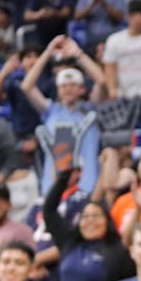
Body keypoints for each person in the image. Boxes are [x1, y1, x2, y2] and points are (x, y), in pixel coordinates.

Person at [43, 169, 135, 281]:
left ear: (107, 221)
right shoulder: (69, 243)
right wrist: (64, 177)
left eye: (97, 216)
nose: (90, 221)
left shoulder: (118, 250)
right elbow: (49, 210)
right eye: (85, 216)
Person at [21, 35, 104, 195]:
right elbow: (27, 86)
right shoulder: (51, 110)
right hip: (53, 187)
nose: (68, 89)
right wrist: (48, 52)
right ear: (58, 90)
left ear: (82, 89)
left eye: (73, 85)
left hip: (87, 186)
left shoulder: (90, 110)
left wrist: (78, 54)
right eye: (64, 86)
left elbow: (101, 81)